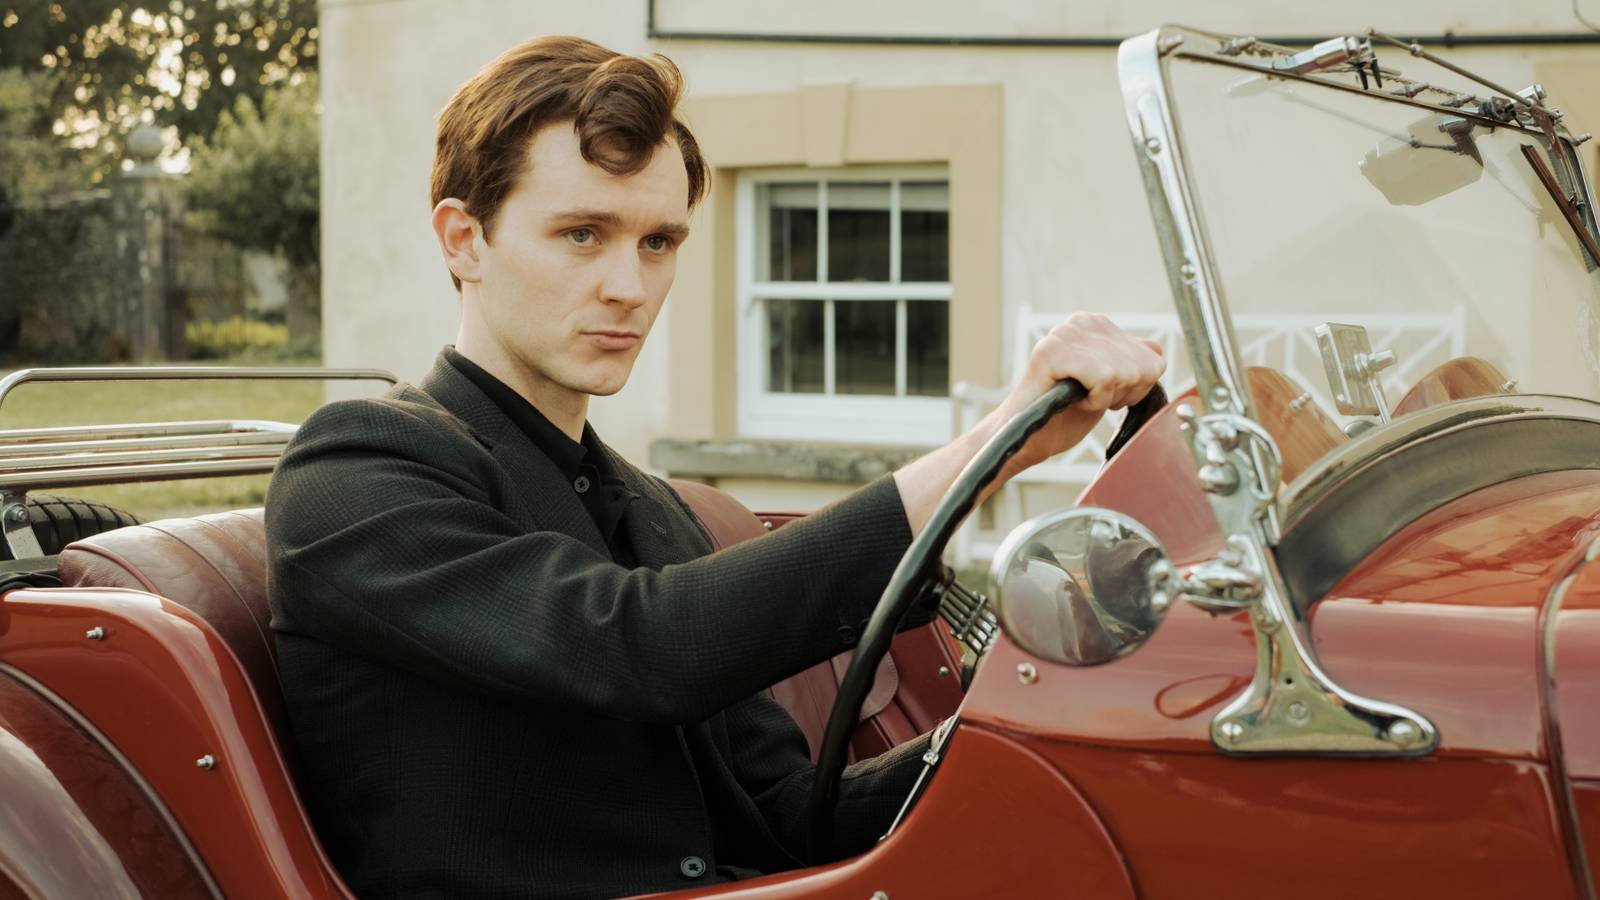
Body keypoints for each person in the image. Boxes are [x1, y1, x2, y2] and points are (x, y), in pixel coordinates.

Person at [265, 35, 1165, 899]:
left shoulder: (652, 508)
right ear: (463, 239)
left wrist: (1015, 717)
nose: (629, 286)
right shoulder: (358, 467)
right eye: (582, 234)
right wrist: (996, 446)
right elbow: (639, 647)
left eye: (658, 242)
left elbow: (783, 818)